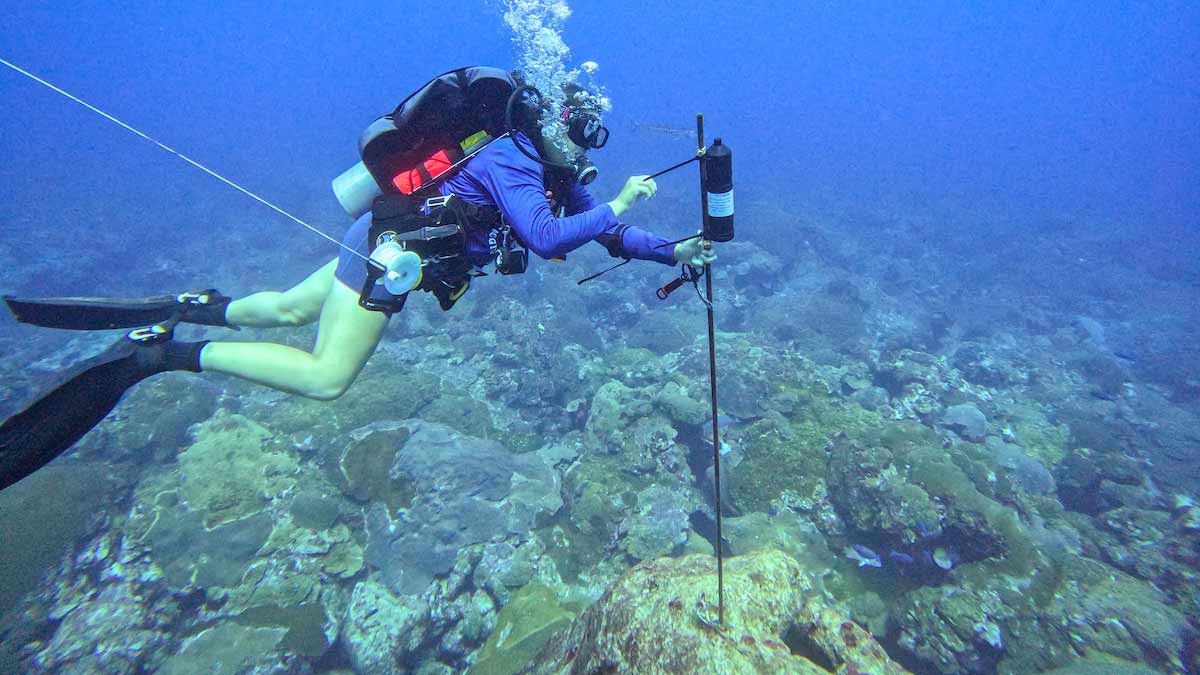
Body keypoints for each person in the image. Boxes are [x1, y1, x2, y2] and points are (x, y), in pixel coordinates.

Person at [0, 67, 717, 490]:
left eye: (590, 137)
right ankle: (159, 354)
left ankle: (191, 306)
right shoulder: (512, 158)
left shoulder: (555, 171)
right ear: (549, 120)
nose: (583, 147)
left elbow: (609, 232)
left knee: (284, 309)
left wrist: (674, 250)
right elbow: (545, 234)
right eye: (579, 131)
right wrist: (616, 204)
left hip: (379, 239)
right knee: (324, 377)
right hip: (389, 250)